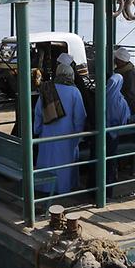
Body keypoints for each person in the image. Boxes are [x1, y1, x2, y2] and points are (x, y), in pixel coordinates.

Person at [33, 63, 86, 195]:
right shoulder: (74, 91)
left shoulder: (47, 88)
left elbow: (38, 112)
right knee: (64, 165)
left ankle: (45, 187)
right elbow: (80, 116)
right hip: (67, 136)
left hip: (47, 134)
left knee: (47, 161)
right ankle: (64, 189)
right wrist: (78, 134)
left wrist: (37, 129)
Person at [106, 72, 131, 190]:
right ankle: (109, 186)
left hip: (102, 133)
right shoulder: (121, 101)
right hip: (114, 134)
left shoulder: (102, 96)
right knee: (110, 161)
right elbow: (125, 120)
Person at [113, 47, 135, 115]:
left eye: (116, 59)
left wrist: (119, 103)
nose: (114, 60)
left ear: (120, 61)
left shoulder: (129, 74)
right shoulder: (127, 69)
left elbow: (132, 95)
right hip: (133, 108)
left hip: (133, 110)